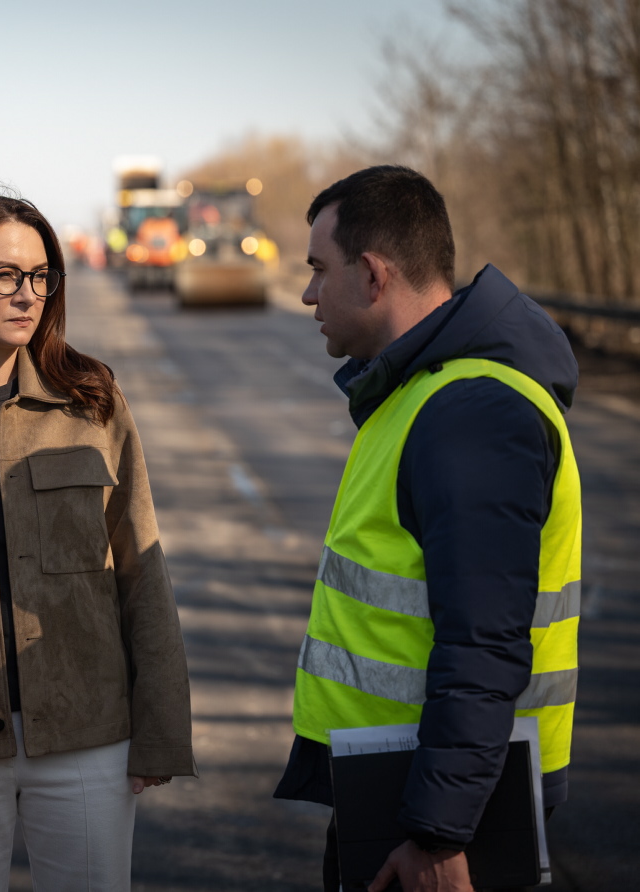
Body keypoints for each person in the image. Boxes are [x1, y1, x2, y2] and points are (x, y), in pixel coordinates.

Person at [274, 166, 581, 892]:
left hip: (442, 817)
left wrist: (438, 832)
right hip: (405, 787)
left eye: (320, 270)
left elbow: (483, 643)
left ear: (374, 275)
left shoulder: (470, 411)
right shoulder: (423, 392)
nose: (308, 293)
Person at [0, 196, 195, 891]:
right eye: (3, 274)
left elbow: (141, 572)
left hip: (87, 734)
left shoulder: (91, 400)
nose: (27, 293)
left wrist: (160, 728)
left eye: (41, 275)